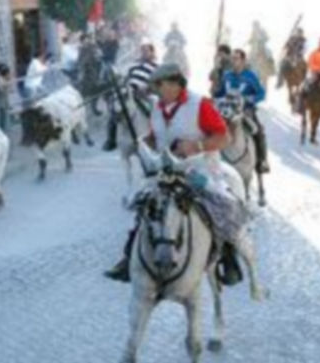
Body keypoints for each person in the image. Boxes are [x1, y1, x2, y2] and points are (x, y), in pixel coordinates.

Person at [104, 63, 247, 285]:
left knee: (224, 204)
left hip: (199, 169)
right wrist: (144, 142)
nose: (155, 90)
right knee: (141, 202)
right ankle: (128, 256)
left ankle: (229, 258)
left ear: (174, 84)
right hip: (166, 169)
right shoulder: (158, 107)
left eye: (158, 85)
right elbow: (156, 135)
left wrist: (197, 146)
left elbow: (224, 137)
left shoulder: (201, 104)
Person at [215, 49, 270, 173]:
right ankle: (209, 155)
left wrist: (250, 99)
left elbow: (261, 93)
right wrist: (215, 96)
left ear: (243, 61)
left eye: (236, 59)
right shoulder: (227, 75)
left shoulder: (251, 76)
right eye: (232, 59)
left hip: (245, 110)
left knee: (258, 130)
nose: (233, 61)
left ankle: (262, 161)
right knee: (210, 127)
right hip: (226, 109)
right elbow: (221, 92)